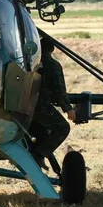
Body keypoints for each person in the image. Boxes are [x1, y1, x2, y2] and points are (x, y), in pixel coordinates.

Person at [29, 37, 76, 171]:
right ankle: (38, 154)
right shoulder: (52, 65)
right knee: (62, 128)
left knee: (40, 131)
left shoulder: (27, 62)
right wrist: (68, 109)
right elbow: (60, 90)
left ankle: (35, 154)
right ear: (52, 49)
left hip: (20, 107)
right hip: (40, 107)